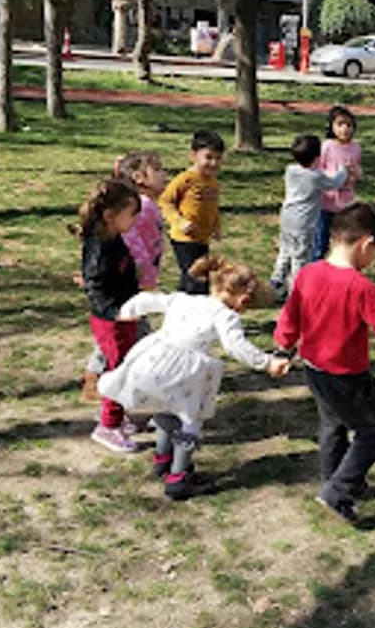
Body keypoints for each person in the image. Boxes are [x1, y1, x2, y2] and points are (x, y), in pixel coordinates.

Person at [274, 202, 375, 523]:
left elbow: (291, 316)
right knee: (373, 430)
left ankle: (333, 481)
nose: (372, 258)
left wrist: (284, 349)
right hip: (347, 377)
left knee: (333, 425)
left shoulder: (308, 273)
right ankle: (338, 491)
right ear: (366, 243)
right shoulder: (361, 287)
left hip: (314, 370)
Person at [98, 257, 291, 500]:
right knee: (189, 419)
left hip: (154, 360)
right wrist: (266, 362)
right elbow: (236, 346)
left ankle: (162, 459)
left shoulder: (183, 299)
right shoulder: (226, 316)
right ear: (242, 299)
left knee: (165, 407)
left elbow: (149, 299)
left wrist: (126, 312)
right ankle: (178, 478)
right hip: (184, 373)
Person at [80, 151, 168, 402]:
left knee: (129, 342)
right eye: (158, 170)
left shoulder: (118, 224)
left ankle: (110, 382)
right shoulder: (108, 239)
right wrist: (143, 273)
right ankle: (109, 390)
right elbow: (133, 245)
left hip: (128, 296)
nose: (164, 175)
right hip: (119, 306)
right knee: (129, 345)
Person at [73, 178, 142, 453]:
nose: (137, 219)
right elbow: (95, 286)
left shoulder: (114, 239)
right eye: (132, 213)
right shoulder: (100, 248)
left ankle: (114, 413)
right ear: (111, 216)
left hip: (125, 313)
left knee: (125, 364)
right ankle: (108, 427)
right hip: (111, 321)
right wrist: (114, 313)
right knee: (119, 371)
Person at [269, 134, 352, 301]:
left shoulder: (290, 170)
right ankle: (296, 293)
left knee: (285, 250)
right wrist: (343, 170)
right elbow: (334, 183)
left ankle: (276, 281)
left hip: (287, 218)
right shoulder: (315, 177)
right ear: (317, 157)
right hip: (303, 222)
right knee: (300, 257)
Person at [159, 130, 225, 294]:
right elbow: (165, 201)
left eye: (218, 158)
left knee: (195, 277)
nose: (213, 163)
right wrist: (179, 221)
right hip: (184, 238)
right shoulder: (185, 179)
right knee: (196, 279)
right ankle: (191, 305)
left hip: (203, 238)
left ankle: (179, 302)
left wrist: (216, 227)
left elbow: (213, 207)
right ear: (193, 156)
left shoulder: (213, 182)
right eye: (208, 157)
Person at [313, 106, 362, 261]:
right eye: (340, 124)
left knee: (343, 242)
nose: (345, 129)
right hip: (326, 202)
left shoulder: (356, 148)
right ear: (331, 126)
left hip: (345, 203)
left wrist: (355, 173)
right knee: (320, 243)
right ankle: (315, 269)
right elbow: (318, 171)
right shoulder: (327, 146)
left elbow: (357, 169)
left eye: (349, 125)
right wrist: (334, 178)